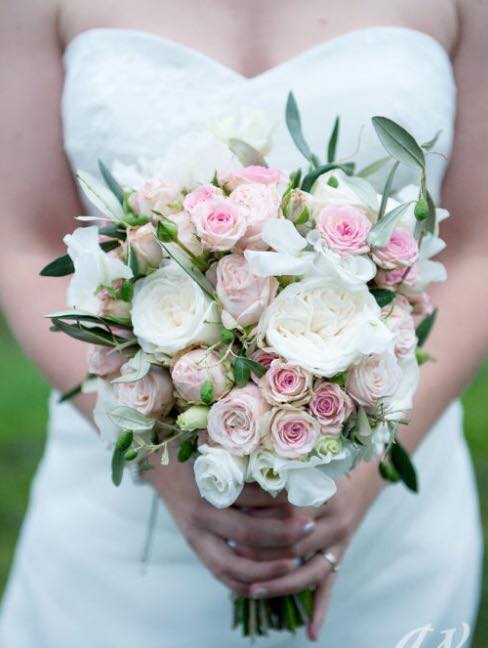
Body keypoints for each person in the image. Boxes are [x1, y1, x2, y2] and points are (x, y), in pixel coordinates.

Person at [0, 1, 485, 646]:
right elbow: (23, 242)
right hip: (117, 530)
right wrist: (168, 465)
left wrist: (362, 476)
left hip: (386, 521)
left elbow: (479, 246)